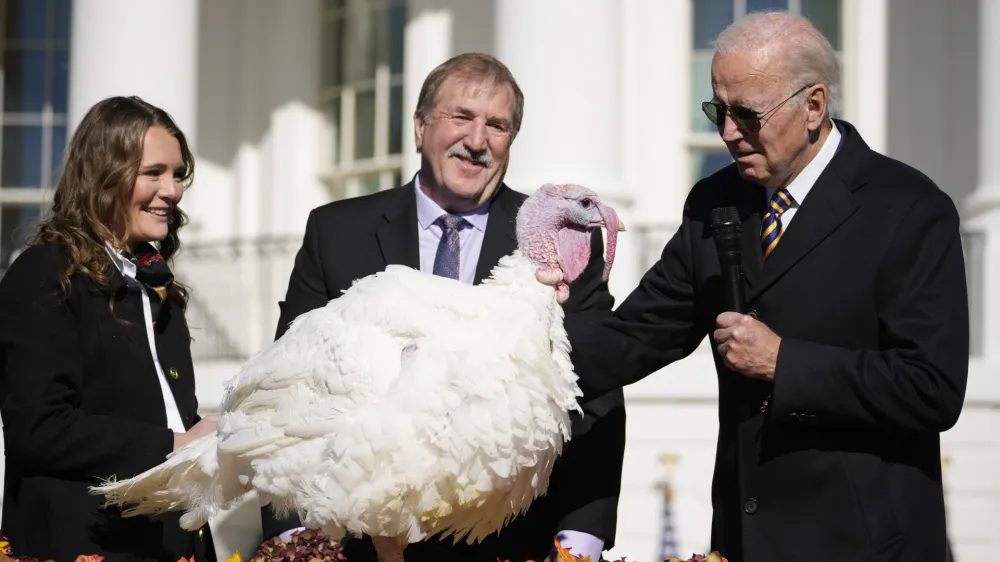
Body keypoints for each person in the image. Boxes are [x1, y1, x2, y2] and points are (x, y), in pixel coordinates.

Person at [537, 11, 968, 562]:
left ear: (813, 106)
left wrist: (784, 363)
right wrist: (514, 364)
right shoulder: (715, 201)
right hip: (744, 542)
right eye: (718, 109)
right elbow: (640, 333)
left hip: (865, 544)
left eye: (747, 113)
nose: (728, 132)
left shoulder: (909, 208)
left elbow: (931, 387)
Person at [260, 52, 627, 562]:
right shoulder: (336, 233)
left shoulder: (554, 241)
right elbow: (290, 392)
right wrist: (294, 545)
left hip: (508, 544)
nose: (477, 142)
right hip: (361, 545)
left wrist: (578, 544)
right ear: (419, 126)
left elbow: (598, 395)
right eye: (462, 117)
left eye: (497, 126)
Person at [0, 96, 219, 562]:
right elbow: (37, 429)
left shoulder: (158, 287)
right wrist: (177, 445)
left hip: (170, 542)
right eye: (154, 173)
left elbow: (166, 418)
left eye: (178, 174)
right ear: (105, 176)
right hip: (81, 545)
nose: (173, 191)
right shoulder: (44, 274)